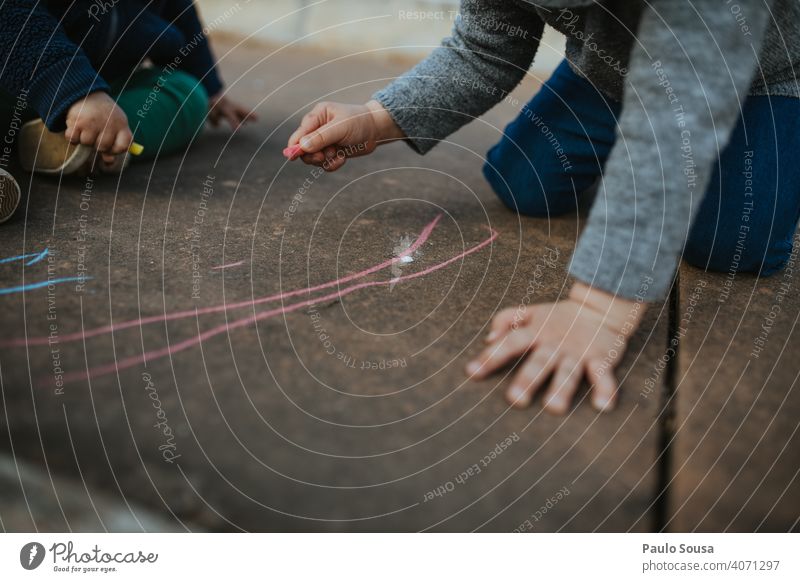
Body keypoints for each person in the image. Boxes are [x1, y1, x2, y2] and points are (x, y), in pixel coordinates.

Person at [286, 0, 800, 414]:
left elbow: (678, 116)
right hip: (609, 71)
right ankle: (623, 141)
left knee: (731, 247)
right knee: (522, 184)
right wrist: (378, 118)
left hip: (751, 76)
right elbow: (482, 47)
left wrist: (599, 304)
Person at [0, 0, 255, 204]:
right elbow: (12, 16)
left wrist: (210, 88)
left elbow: (181, 14)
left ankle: (92, 141)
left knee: (188, 93)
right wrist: (76, 90)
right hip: (16, 83)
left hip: (102, 92)